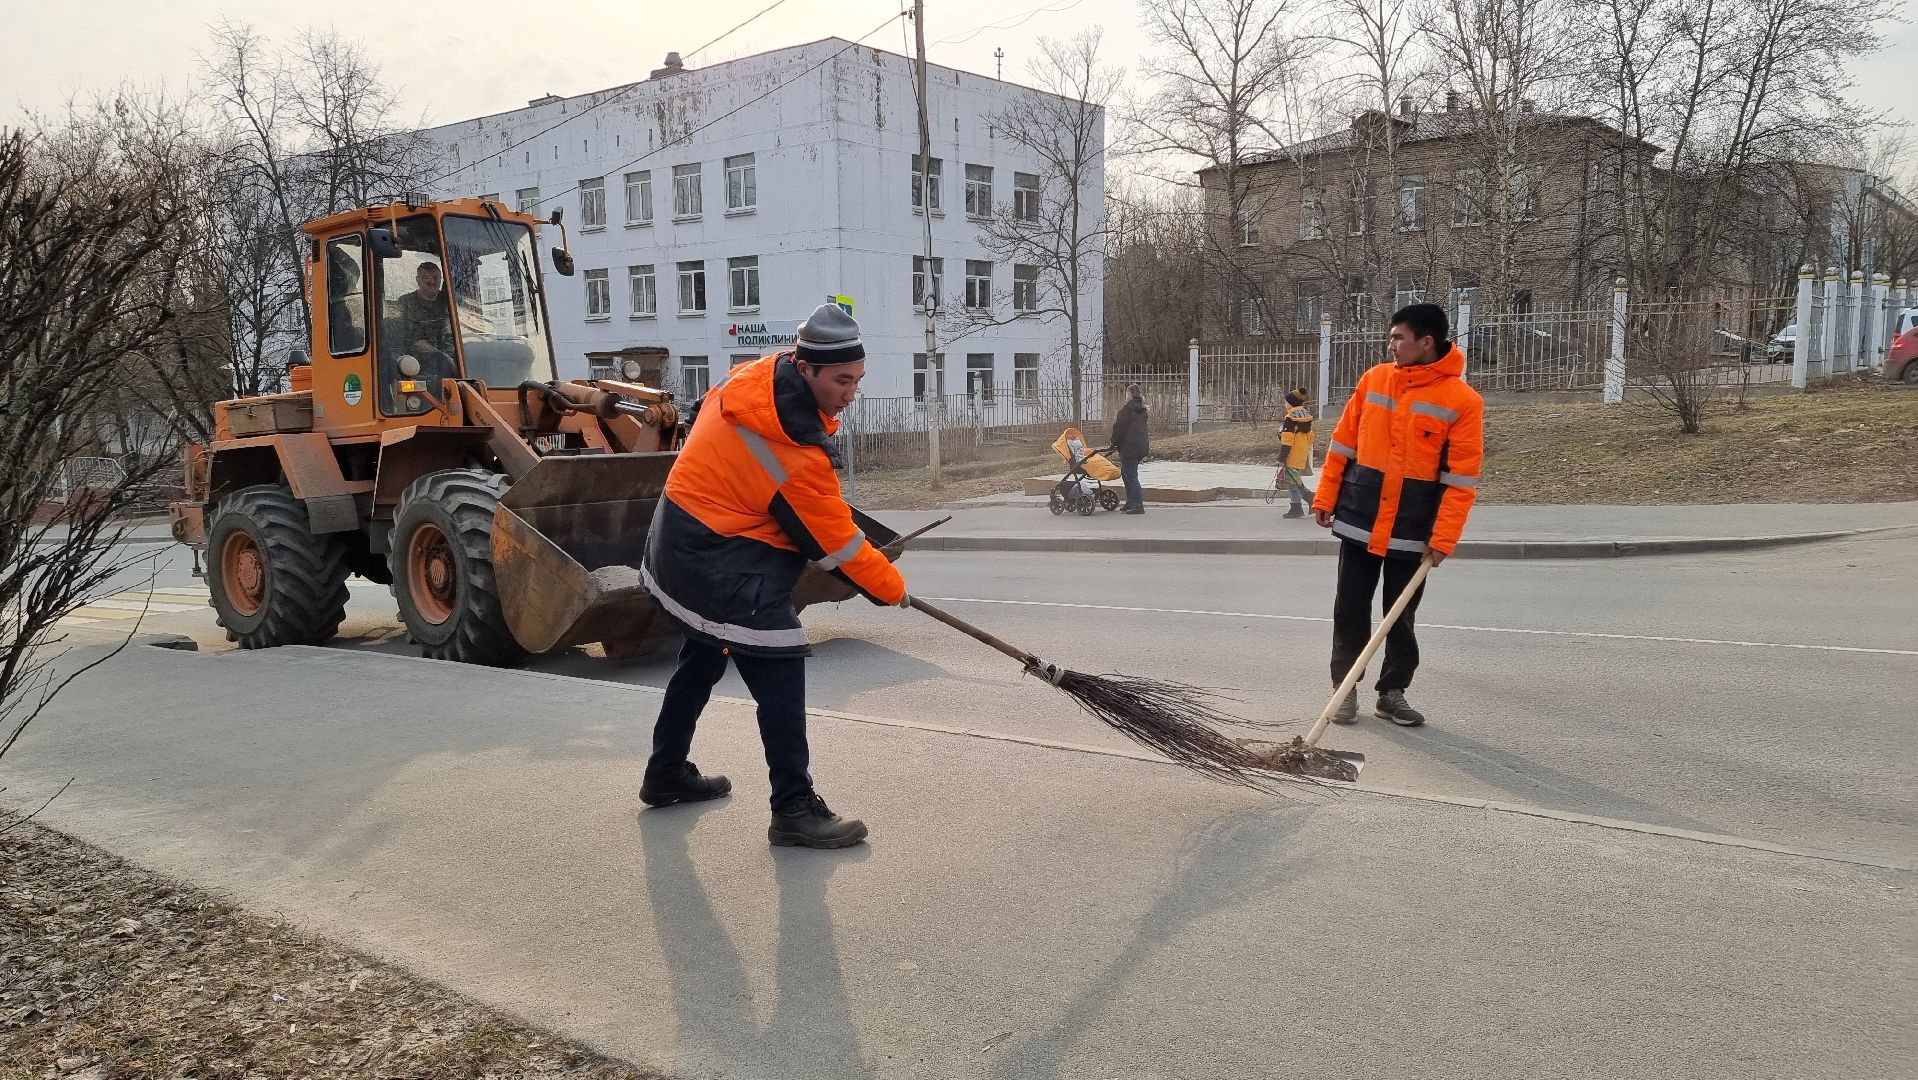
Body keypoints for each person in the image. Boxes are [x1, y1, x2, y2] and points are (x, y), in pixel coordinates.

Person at [638, 303, 908, 849]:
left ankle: (665, 772)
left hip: (680, 534)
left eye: (858, 379)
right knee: (781, 668)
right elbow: (835, 542)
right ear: (806, 369)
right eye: (841, 380)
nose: (851, 393)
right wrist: (893, 589)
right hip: (716, 555)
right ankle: (793, 808)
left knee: (704, 652)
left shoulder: (759, 378)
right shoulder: (788, 447)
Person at [1312, 303, 1483, 727]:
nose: (1391, 345)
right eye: (1390, 337)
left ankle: (1392, 692)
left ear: (1426, 342)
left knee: (1399, 615)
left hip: (1413, 528)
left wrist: (1443, 539)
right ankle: (1344, 687)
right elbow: (1342, 445)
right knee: (1350, 609)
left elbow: (1461, 481)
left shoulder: (1462, 401)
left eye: (1398, 338)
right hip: (1360, 515)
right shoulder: (1374, 380)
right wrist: (1325, 497)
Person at [1110, 383, 1150, 514]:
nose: (1125, 396)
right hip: (1140, 446)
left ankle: (1138, 504)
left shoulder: (1126, 410)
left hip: (1129, 447)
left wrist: (1113, 443)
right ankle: (1131, 502)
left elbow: (1118, 428)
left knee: (1131, 475)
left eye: (1126, 394)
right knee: (1127, 473)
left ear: (1129, 395)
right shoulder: (1142, 410)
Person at [1275, 386, 1314, 518]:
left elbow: (1287, 440)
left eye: (1286, 402)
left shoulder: (1290, 417)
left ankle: (1309, 499)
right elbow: (1310, 436)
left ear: (1291, 404)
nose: (1285, 405)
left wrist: (1282, 457)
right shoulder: (1306, 415)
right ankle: (1296, 507)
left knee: (1294, 481)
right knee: (1293, 479)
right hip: (1302, 451)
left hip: (1291, 453)